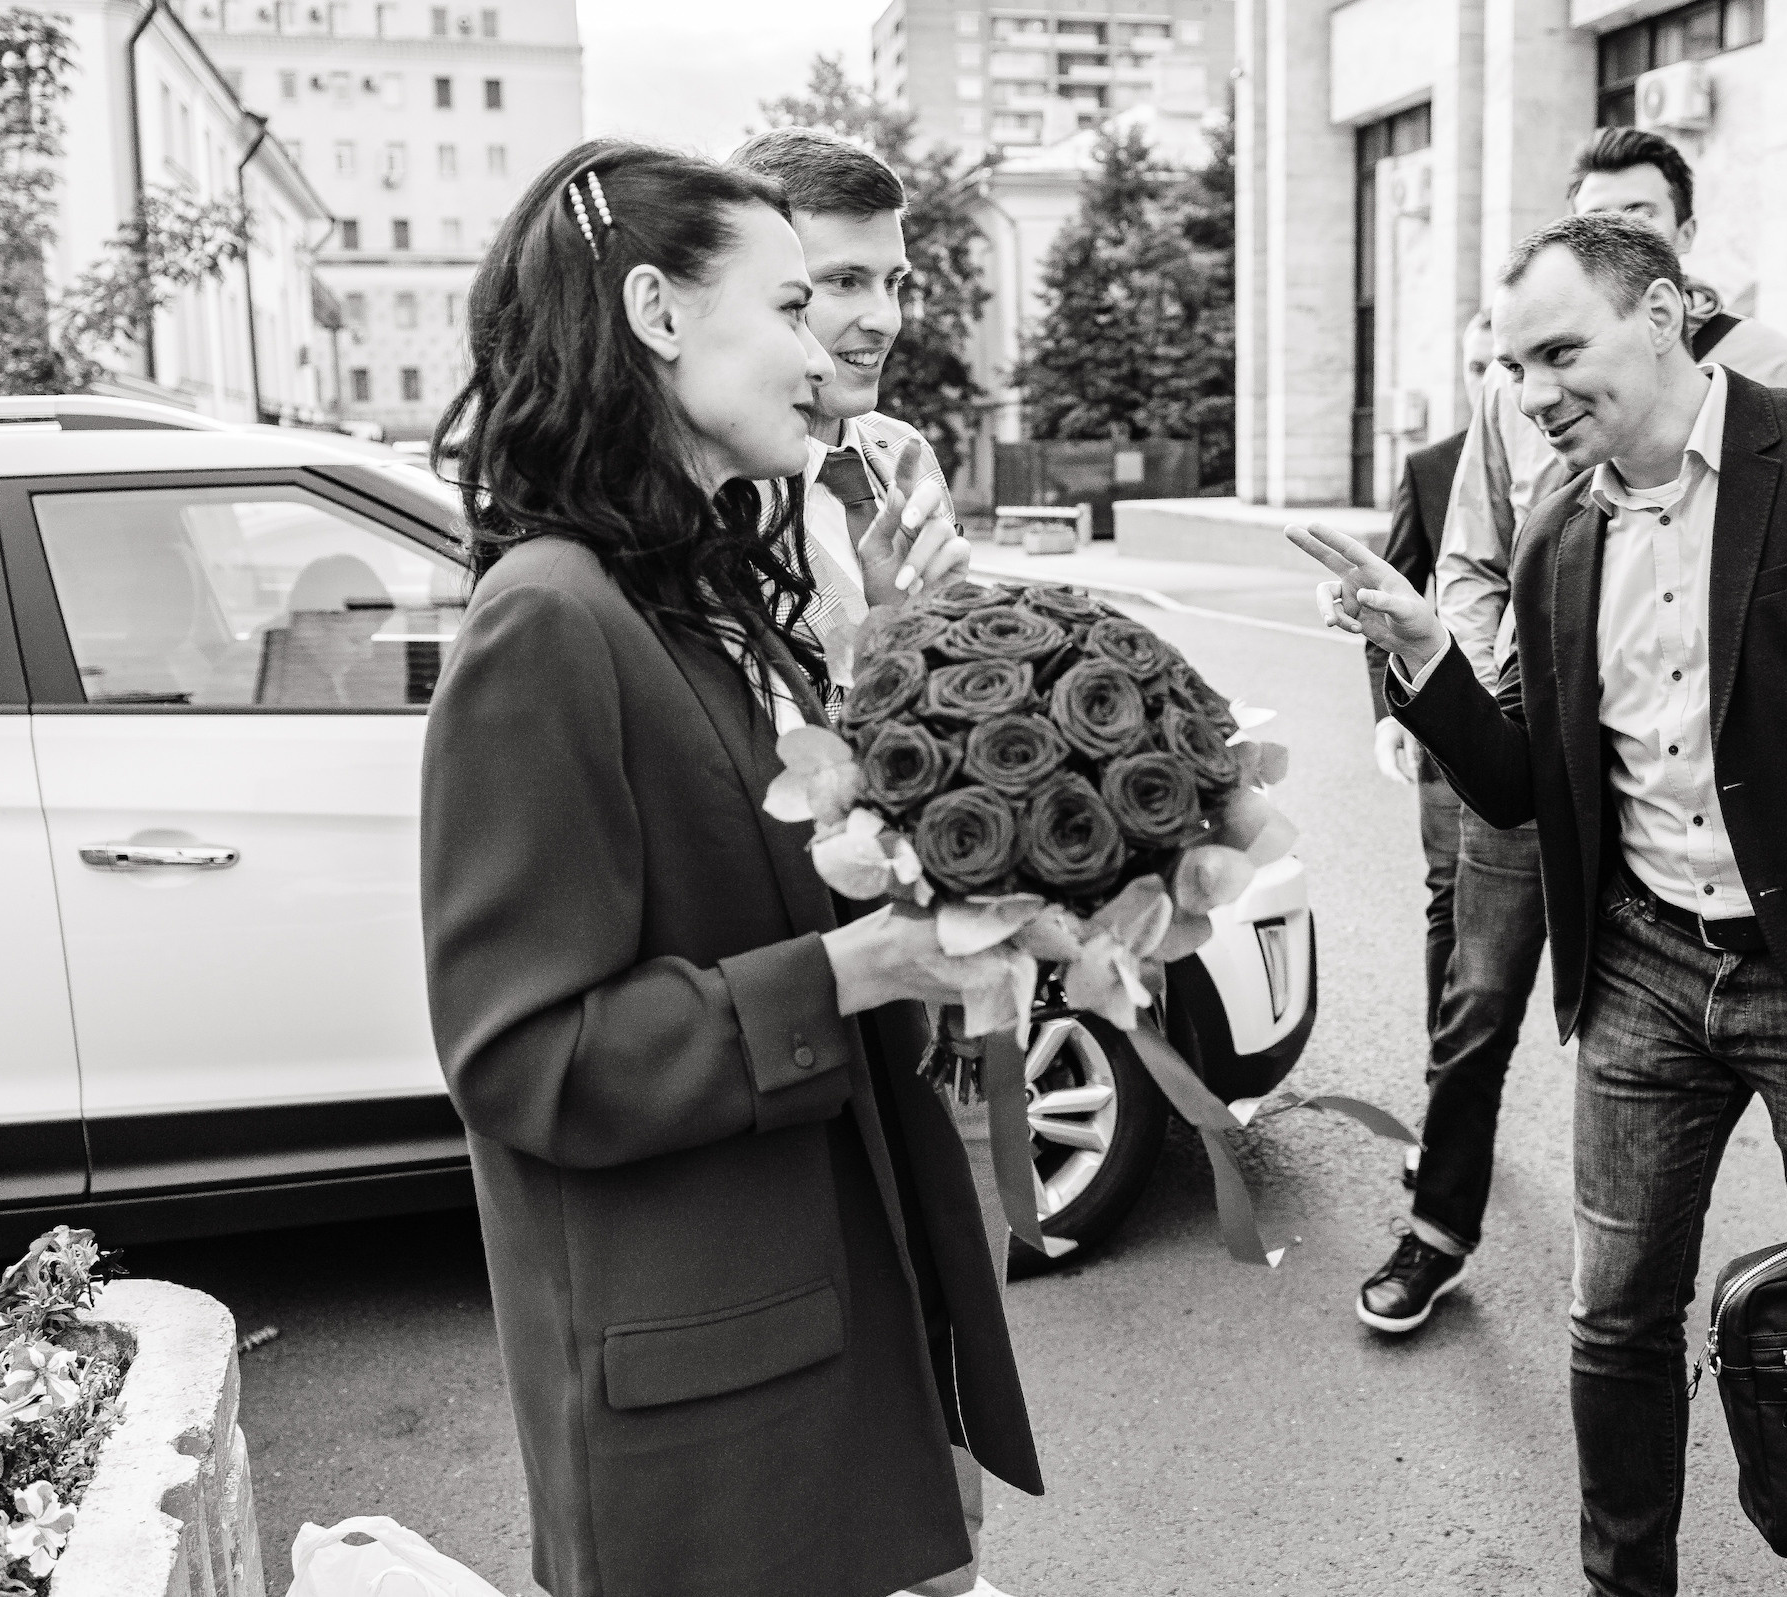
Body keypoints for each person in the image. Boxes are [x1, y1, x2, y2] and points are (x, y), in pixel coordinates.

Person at [1292, 211, 1787, 1597]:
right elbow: (1519, 783)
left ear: (1669, 313)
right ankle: (1624, 1583)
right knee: (1615, 1315)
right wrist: (1424, 648)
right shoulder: (1558, 532)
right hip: (1641, 971)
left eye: (1563, 351)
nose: (1536, 391)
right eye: (1516, 366)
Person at [420, 138, 1042, 1597]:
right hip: (707, 1407)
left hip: (804, 1308)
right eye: (785, 306)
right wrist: (852, 966)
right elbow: (524, 1056)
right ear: (656, 312)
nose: (821, 352)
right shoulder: (549, 622)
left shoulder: (682, 593)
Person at [1357, 125, 1787, 1333]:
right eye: (1595, 213)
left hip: (1714, 786)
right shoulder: (1529, 385)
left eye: (1644, 218)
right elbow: (1471, 554)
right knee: (1481, 989)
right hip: (1540, 734)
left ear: (1677, 259)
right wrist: (1473, 670)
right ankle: (1438, 1226)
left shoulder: (1776, 372)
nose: (1620, 231)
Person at [730, 125, 1025, 1597]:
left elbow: (947, 677)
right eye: (834, 281)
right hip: (779, 986)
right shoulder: (706, 499)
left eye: (894, 280)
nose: (877, 316)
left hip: (902, 982)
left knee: (930, 1348)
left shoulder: (895, 457)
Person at [1363, 311, 1494, 1260]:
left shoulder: (1600, 451)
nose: (1501, 382)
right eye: (1483, 364)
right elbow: (1388, 598)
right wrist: (1390, 712)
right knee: (1455, 917)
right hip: (1451, 734)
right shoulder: (1436, 467)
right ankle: (1446, 1120)